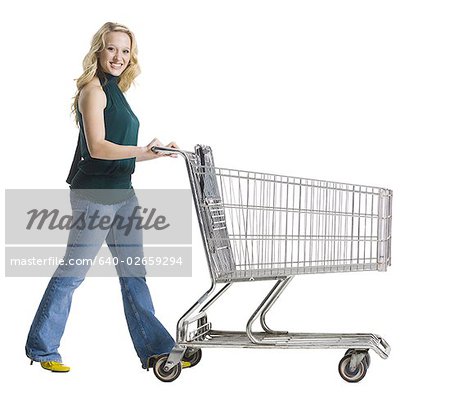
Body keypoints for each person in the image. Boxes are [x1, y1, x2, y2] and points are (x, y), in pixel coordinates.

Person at [25, 22, 183, 373]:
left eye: (125, 51)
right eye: (112, 48)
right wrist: (142, 151)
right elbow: (98, 148)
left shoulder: (116, 90)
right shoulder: (93, 91)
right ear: (99, 50)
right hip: (94, 196)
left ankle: (157, 350)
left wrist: (153, 151)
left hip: (123, 194)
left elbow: (122, 148)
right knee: (73, 274)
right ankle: (42, 347)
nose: (119, 57)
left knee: (134, 275)